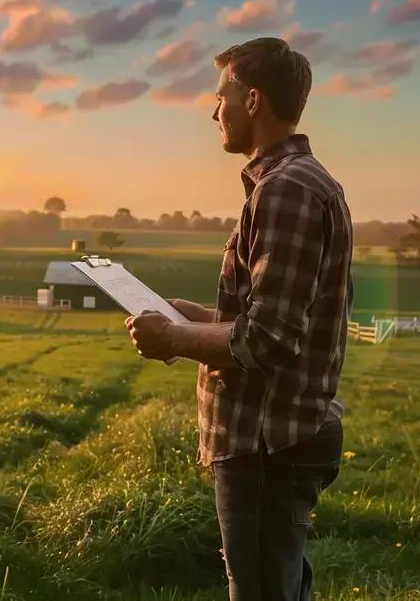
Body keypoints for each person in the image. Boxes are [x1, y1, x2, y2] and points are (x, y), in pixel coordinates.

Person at [125, 37, 353, 601]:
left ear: (252, 100)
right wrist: (199, 317)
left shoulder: (286, 190)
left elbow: (268, 339)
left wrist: (174, 339)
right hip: (276, 435)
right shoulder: (298, 183)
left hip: (264, 441)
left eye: (220, 95)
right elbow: (275, 315)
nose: (212, 110)